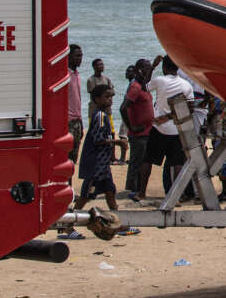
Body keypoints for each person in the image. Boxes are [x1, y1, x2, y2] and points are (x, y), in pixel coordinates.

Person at [147, 56, 194, 196]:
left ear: (164, 68)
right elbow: (190, 109)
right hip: (176, 128)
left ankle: (141, 192)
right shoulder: (186, 85)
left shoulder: (160, 80)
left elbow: (145, 86)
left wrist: (152, 66)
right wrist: (169, 117)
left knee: (148, 159)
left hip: (159, 127)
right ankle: (176, 194)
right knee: (177, 163)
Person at [74, 84, 122, 212]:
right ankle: (69, 223)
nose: (110, 99)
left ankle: (118, 221)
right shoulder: (100, 117)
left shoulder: (103, 115)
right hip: (96, 165)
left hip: (103, 165)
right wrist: (118, 142)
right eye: (106, 97)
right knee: (86, 195)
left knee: (110, 191)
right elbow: (99, 140)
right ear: (97, 99)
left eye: (111, 97)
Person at [121, 58, 155, 198]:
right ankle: (131, 190)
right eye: (146, 69)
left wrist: (153, 66)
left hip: (147, 132)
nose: (148, 72)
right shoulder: (135, 87)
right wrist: (132, 127)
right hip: (139, 134)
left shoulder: (143, 85)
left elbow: (148, 78)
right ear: (140, 70)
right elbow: (123, 108)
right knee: (137, 162)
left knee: (143, 162)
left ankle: (138, 189)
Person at [65, 44, 84, 161]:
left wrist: (81, 122)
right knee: (66, 156)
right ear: (68, 57)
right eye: (77, 56)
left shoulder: (76, 74)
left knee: (74, 158)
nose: (80, 58)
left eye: (81, 56)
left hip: (78, 120)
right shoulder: (65, 75)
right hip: (68, 122)